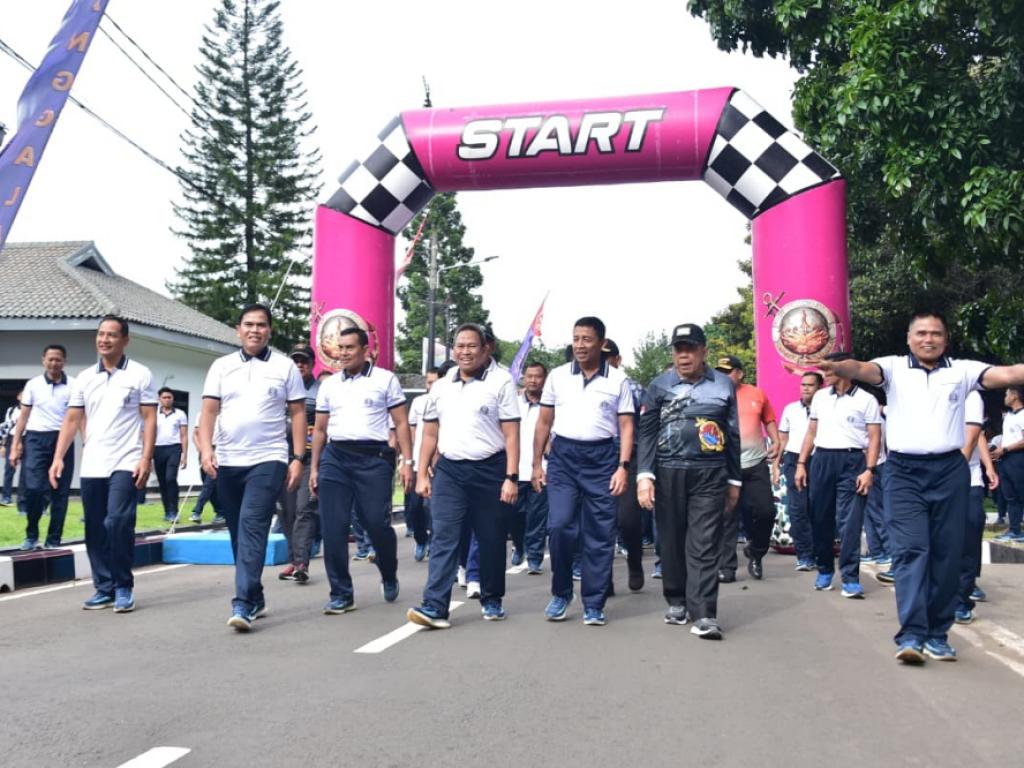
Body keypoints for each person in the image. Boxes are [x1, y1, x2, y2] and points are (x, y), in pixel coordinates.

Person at [817, 311, 1024, 663]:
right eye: (921, 333)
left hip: (949, 471)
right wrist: (840, 366)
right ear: (909, 338)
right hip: (903, 473)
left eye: (936, 333)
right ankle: (911, 634)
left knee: (946, 555)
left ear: (945, 339)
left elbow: (1009, 374)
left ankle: (938, 634)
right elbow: (864, 370)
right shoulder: (893, 368)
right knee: (912, 551)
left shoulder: (963, 371)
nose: (928, 339)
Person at [198, 303, 307, 632]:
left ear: (269, 330)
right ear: (238, 329)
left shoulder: (285, 367)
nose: (255, 330)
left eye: (261, 325)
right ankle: (256, 594)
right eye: (249, 324)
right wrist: (206, 449)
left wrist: (298, 457)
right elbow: (208, 412)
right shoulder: (221, 366)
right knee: (238, 533)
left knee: (252, 526)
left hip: (268, 458)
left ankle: (242, 603)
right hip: (228, 461)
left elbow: (298, 413)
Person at [407, 323, 520, 628]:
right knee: (444, 536)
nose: (465, 351)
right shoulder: (442, 386)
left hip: (490, 469)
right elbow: (430, 432)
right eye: (460, 346)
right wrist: (422, 473)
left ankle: (492, 598)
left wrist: (511, 477)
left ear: (486, 349)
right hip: (450, 471)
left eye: (472, 346)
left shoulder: (501, 382)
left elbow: (511, 434)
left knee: (491, 537)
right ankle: (435, 606)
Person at [637, 323, 740, 640]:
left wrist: (735, 480)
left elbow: (733, 434)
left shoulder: (723, 386)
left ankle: (705, 613)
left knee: (704, 543)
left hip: (710, 473)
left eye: (690, 348)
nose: (684, 355)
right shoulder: (658, 386)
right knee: (669, 540)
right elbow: (648, 433)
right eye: (678, 349)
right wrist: (645, 476)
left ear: (703, 352)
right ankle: (676, 599)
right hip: (668, 471)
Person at [49, 316, 157, 612]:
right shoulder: (85, 377)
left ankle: (123, 585)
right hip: (93, 462)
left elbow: (149, 419)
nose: (104, 340)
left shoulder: (140, 374)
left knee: (118, 521)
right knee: (95, 527)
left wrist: (145, 459)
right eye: (100, 334)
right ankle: (104, 587)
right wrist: (58, 457)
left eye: (111, 335)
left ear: (125, 340)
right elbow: (72, 419)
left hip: (127, 460)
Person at [532, 316, 633, 626]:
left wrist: (623, 467)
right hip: (563, 458)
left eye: (586, 339)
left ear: (601, 343)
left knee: (600, 535)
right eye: (576, 338)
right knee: (560, 526)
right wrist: (536, 463)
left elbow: (627, 426)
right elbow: (544, 422)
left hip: (602, 459)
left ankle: (594, 602)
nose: (579, 345)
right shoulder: (558, 377)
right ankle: (562, 593)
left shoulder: (618, 380)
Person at [309, 328, 413, 614]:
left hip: (374, 459)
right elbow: (319, 429)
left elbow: (401, 423)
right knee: (333, 527)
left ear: (365, 349)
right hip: (336, 458)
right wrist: (315, 467)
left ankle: (388, 571)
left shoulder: (384, 380)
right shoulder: (329, 385)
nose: (343, 353)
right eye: (339, 347)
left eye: (349, 347)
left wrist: (408, 462)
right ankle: (341, 593)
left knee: (376, 524)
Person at [794, 353, 882, 598]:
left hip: (853, 462)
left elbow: (875, 437)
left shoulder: (867, 400)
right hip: (822, 460)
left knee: (850, 522)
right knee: (820, 518)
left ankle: (851, 578)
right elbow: (811, 432)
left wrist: (869, 469)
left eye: (830, 368)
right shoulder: (821, 397)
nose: (825, 373)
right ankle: (824, 569)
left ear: (845, 370)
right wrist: (802, 463)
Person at [714, 356, 780, 582]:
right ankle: (727, 567)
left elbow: (769, 419)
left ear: (740, 373)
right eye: (720, 372)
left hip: (755, 463)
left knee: (766, 512)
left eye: (728, 371)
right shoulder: (713, 395)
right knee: (727, 516)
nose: (723, 376)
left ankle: (756, 551)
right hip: (725, 465)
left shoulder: (756, 394)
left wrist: (776, 440)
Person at [9, 346, 75, 549]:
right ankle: (31, 534)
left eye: (58, 360)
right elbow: (24, 417)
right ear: (43, 361)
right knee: (34, 489)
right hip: (36, 440)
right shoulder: (33, 385)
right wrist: (15, 444)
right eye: (51, 359)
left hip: (62, 441)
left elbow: (78, 417)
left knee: (60, 492)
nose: (54, 363)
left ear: (64, 361)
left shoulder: (74, 385)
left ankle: (54, 539)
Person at [604, 339, 647, 591]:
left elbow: (644, 428)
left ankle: (635, 559)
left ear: (618, 361)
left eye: (609, 357)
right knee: (601, 521)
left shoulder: (634, 388)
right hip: (596, 459)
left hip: (629, 458)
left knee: (628, 518)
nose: (604, 362)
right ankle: (603, 576)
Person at [277, 344, 322, 584]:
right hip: (281, 459)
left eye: (304, 361)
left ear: (312, 364)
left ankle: (302, 562)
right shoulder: (280, 389)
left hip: (308, 460)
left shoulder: (321, 391)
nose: (299, 365)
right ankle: (293, 560)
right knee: (286, 512)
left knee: (304, 510)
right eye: (295, 361)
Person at [772, 371, 822, 571]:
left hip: (819, 459)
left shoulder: (827, 409)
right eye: (803, 385)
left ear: (820, 388)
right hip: (793, 459)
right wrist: (776, 463)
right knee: (798, 509)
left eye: (810, 385)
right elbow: (783, 439)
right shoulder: (790, 409)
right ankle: (805, 556)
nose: (805, 388)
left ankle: (821, 552)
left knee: (819, 509)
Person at [955, 390, 998, 623]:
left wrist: (988, 466)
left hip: (969, 478)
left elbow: (977, 435)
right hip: (938, 479)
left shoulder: (971, 395)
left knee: (970, 535)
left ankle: (962, 599)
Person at [518, 361, 550, 575]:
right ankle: (519, 546)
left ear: (544, 379)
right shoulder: (513, 403)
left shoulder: (551, 405)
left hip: (541, 470)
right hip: (514, 470)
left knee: (537, 516)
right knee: (515, 516)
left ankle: (535, 557)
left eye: (537, 376)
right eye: (529, 376)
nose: (533, 380)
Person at [406, 367, 440, 561]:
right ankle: (421, 539)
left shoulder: (445, 400)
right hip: (419, 462)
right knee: (415, 508)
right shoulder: (419, 403)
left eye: (435, 382)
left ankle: (435, 546)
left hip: (436, 465)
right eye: (429, 382)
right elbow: (412, 430)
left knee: (432, 508)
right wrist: (409, 459)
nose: (432, 385)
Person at [992, 386, 1024, 542]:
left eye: (1007, 394)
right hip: (1005, 459)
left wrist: (1005, 448)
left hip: (1018, 458)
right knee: (1010, 496)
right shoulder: (1009, 416)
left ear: (1015, 396)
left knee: (1021, 493)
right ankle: (1015, 530)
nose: (1005, 397)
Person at [153, 387, 188, 523]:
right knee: (162, 482)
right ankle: (167, 511)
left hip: (174, 449)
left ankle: (174, 511)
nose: (167, 400)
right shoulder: (154, 414)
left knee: (170, 479)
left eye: (169, 397)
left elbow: (184, 436)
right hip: (158, 449)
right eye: (164, 397)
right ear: (159, 399)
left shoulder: (180, 414)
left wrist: (184, 455)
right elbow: (149, 434)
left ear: (173, 399)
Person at [189, 412, 224, 524]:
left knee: (209, 483)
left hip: (220, 450)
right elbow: (195, 434)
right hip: (205, 449)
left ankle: (197, 511)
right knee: (208, 483)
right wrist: (202, 449)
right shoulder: (202, 414)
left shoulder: (227, 413)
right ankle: (220, 512)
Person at [1, 391, 25, 511]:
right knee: (9, 469)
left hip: (28, 439)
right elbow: (6, 427)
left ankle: (23, 498)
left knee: (26, 470)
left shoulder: (33, 411)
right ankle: (6, 497)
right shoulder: (11, 410)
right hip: (11, 438)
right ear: (18, 397)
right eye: (22, 394)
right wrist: (3, 445)